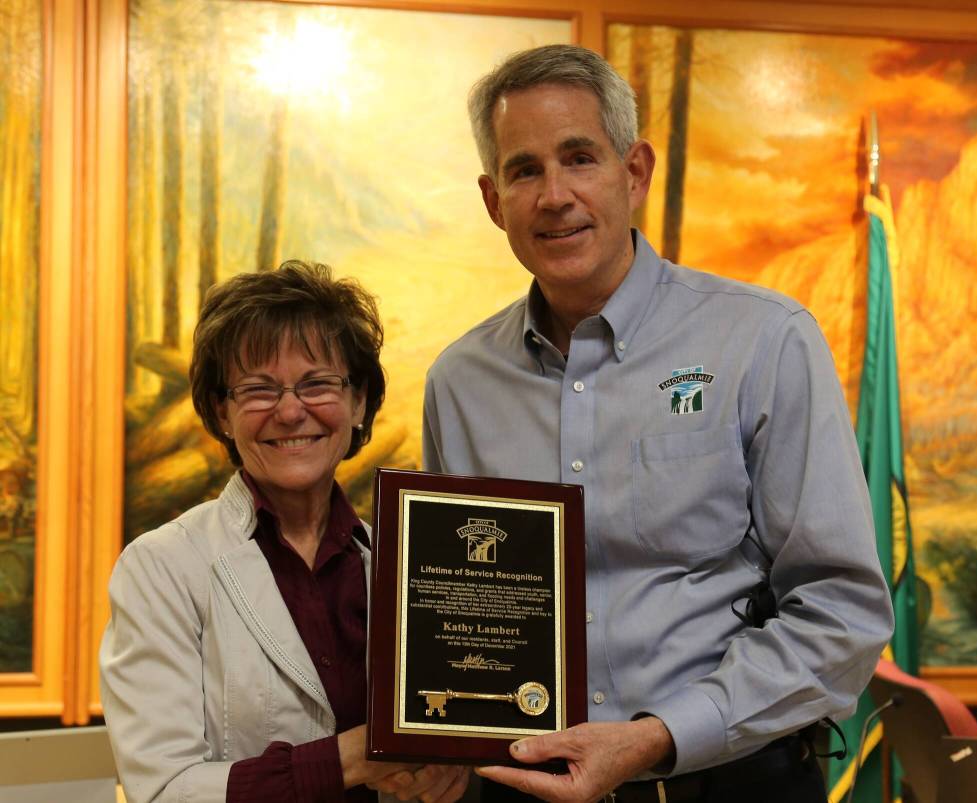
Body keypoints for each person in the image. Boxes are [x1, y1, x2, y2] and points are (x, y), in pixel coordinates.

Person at [422, 45, 895, 803]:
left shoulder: (763, 341)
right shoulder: (460, 383)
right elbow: (457, 607)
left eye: (580, 158)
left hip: (732, 783)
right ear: (491, 199)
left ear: (633, 172)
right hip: (523, 788)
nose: (555, 195)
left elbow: (843, 609)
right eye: (524, 170)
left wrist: (659, 736)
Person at [101, 261, 468, 803]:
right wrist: (362, 755)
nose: (291, 411)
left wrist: (444, 773)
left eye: (317, 383)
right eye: (258, 389)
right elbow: (164, 789)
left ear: (358, 402)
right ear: (222, 414)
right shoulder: (161, 567)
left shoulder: (410, 565)